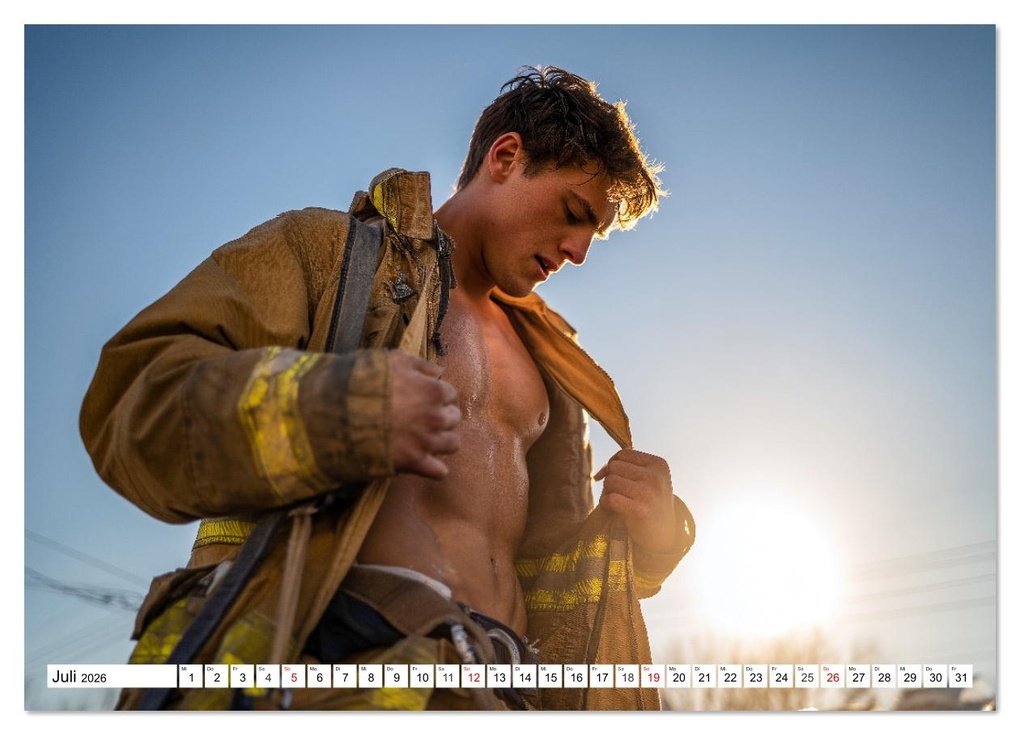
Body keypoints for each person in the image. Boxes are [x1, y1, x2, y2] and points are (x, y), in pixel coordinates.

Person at [80, 66, 695, 711]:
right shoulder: (329, 254)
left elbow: (546, 569)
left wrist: (653, 542)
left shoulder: (556, 372)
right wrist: (333, 411)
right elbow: (136, 391)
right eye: (574, 214)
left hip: (508, 691)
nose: (578, 252)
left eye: (593, 234)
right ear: (506, 157)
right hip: (336, 668)